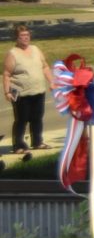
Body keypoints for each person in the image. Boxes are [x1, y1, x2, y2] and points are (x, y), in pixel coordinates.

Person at [4, 25, 54, 154]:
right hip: (20, 93)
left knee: (37, 118)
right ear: (17, 38)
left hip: (38, 90)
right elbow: (7, 74)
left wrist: (52, 82)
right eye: (22, 36)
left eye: (27, 35)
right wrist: (7, 92)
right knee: (22, 119)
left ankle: (37, 142)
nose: (25, 38)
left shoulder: (35, 49)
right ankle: (18, 145)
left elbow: (45, 67)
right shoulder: (13, 53)